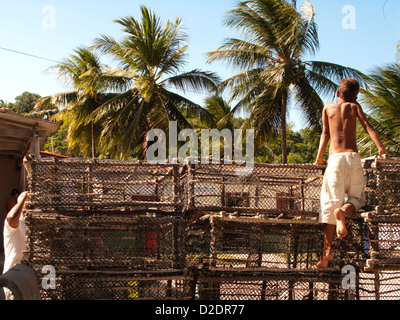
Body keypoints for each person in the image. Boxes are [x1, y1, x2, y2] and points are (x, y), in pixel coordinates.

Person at [314, 78, 388, 268]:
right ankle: (344, 213)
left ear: (337, 93)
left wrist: (319, 158)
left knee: (330, 205)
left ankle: (327, 253)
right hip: (353, 158)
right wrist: (381, 148)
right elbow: (368, 127)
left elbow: (325, 133)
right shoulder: (355, 108)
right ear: (355, 98)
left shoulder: (328, 107)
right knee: (357, 199)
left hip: (336, 160)